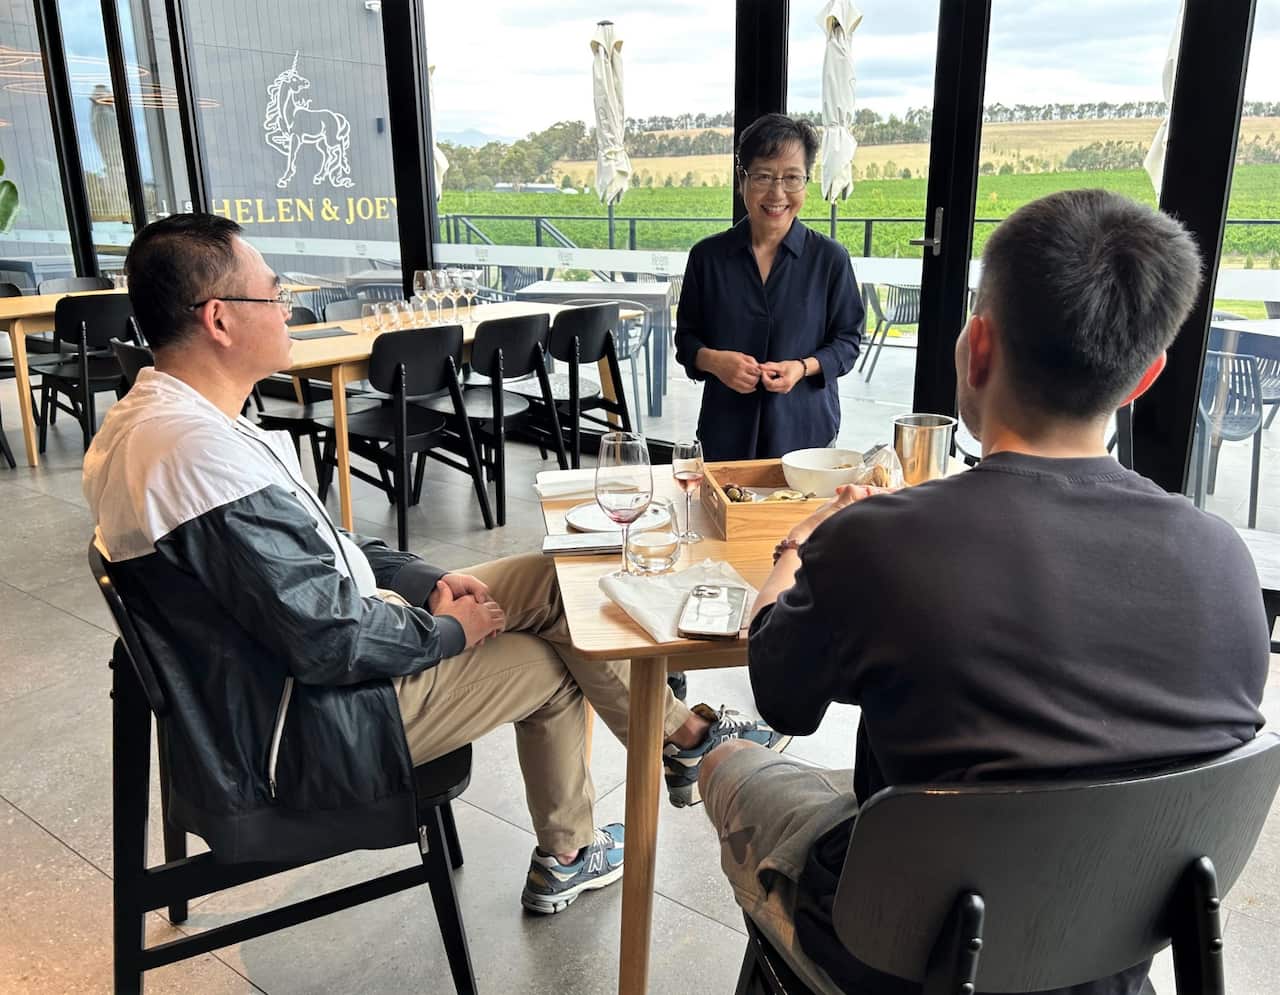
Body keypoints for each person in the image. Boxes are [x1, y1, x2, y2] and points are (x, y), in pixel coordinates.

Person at [83, 213, 788, 917]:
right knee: (552, 663)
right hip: (320, 714)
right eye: (273, 293)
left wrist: (423, 583)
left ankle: (678, 741)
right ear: (219, 320)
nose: (290, 304)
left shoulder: (171, 418)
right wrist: (447, 632)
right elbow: (326, 640)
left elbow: (325, 547)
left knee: (556, 584)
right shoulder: (192, 457)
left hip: (326, 653)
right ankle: (585, 838)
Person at [695, 189, 1269, 994]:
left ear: (978, 346)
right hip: (1107, 961)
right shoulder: (1226, 564)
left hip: (902, 952)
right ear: (1146, 375)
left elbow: (780, 694)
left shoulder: (878, 541)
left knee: (731, 759)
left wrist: (800, 548)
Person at [674, 113, 864, 461]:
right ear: (741, 179)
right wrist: (715, 361)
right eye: (763, 176)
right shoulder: (707, 257)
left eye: (792, 178)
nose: (777, 193)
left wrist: (803, 367)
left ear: (806, 181)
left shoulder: (830, 259)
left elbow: (848, 341)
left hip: (805, 432)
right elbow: (686, 339)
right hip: (725, 429)